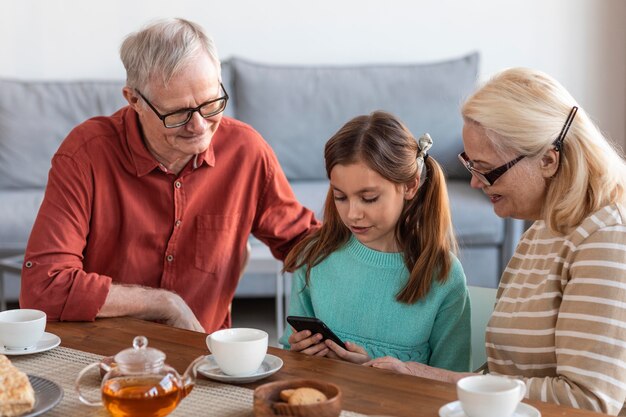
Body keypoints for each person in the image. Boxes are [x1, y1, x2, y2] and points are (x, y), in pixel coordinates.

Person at [19, 18, 318, 333]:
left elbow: (304, 245)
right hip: (105, 354)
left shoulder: (246, 150)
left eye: (211, 103)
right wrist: (162, 303)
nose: (200, 126)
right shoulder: (86, 154)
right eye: (178, 114)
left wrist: (370, 237)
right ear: (134, 100)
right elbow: (43, 287)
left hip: (202, 355)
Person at [365, 68, 626, 415]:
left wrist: (433, 377)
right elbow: (507, 375)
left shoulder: (606, 239)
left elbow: (589, 401)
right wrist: (408, 371)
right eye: (469, 165)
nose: (474, 183)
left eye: (486, 169)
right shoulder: (544, 230)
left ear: (549, 159)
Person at [279, 111, 471, 372]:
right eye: (340, 197)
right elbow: (287, 357)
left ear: (411, 186)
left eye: (368, 198)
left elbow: (451, 385)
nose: (352, 214)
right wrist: (299, 352)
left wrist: (371, 373)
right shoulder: (315, 257)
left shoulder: (443, 275)